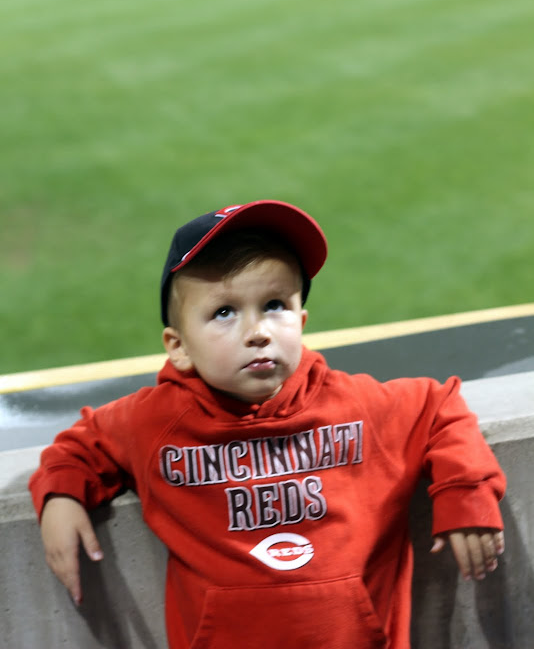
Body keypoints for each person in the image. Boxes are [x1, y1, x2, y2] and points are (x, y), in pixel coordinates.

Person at [29, 200, 506, 649]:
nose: (257, 332)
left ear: (302, 321)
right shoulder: (155, 420)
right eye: (223, 312)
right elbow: (79, 447)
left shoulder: (358, 405)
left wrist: (464, 496)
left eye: (275, 305)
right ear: (179, 347)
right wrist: (61, 498)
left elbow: (439, 408)